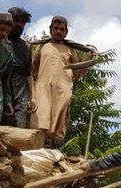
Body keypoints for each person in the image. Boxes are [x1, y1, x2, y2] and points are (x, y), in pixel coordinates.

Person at [31, 16, 94, 148]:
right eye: (56, 28)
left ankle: (57, 144)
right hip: (43, 89)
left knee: (61, 115)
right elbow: (32, 69)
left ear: (66, 32)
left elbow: (77, 73)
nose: (58, 31)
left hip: (63, 90)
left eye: (61, 29)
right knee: (41, 116)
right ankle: (42, 143)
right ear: (50, 29)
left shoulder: (70, 49)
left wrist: (89, 58)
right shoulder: (42, 46)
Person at [1, 7, 33, 128]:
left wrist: (33, 98)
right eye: (17, 21)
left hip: (20, 93)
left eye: (23, 22)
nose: (19, 24)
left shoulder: (26, 46)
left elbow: (29, 74)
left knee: (19, 126)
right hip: (0, 89)